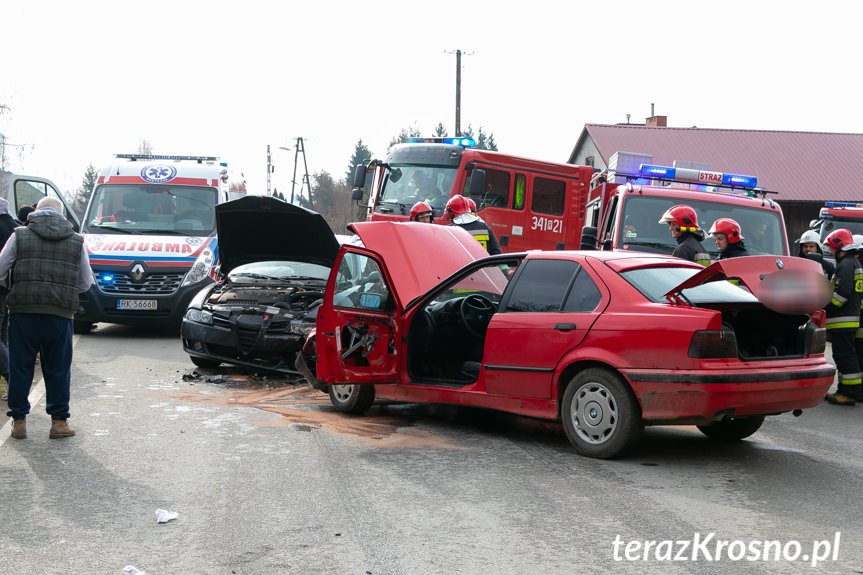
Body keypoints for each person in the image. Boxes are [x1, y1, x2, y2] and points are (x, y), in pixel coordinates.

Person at [0, 197, 95, 438]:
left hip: (23, 312)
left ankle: (19, 422)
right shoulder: (77, 241)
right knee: (58, 369)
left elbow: (0, 270)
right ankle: (59, 423)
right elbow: (85, 282)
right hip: (60, 315)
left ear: (36, 212)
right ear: (61, 214)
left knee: (20, 367)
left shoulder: (19, 235)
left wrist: (13, 284)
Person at [822, 228, 863, 405]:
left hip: (842, 320)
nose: (831, 252)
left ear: (839, 246)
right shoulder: (853, 264)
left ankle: (849, 393)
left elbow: (842, 295)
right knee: (847, 356)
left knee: (845, 357)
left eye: (831, 248)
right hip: (849, 319)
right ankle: (847, 390)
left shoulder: (846, 265)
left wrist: (825, 308)